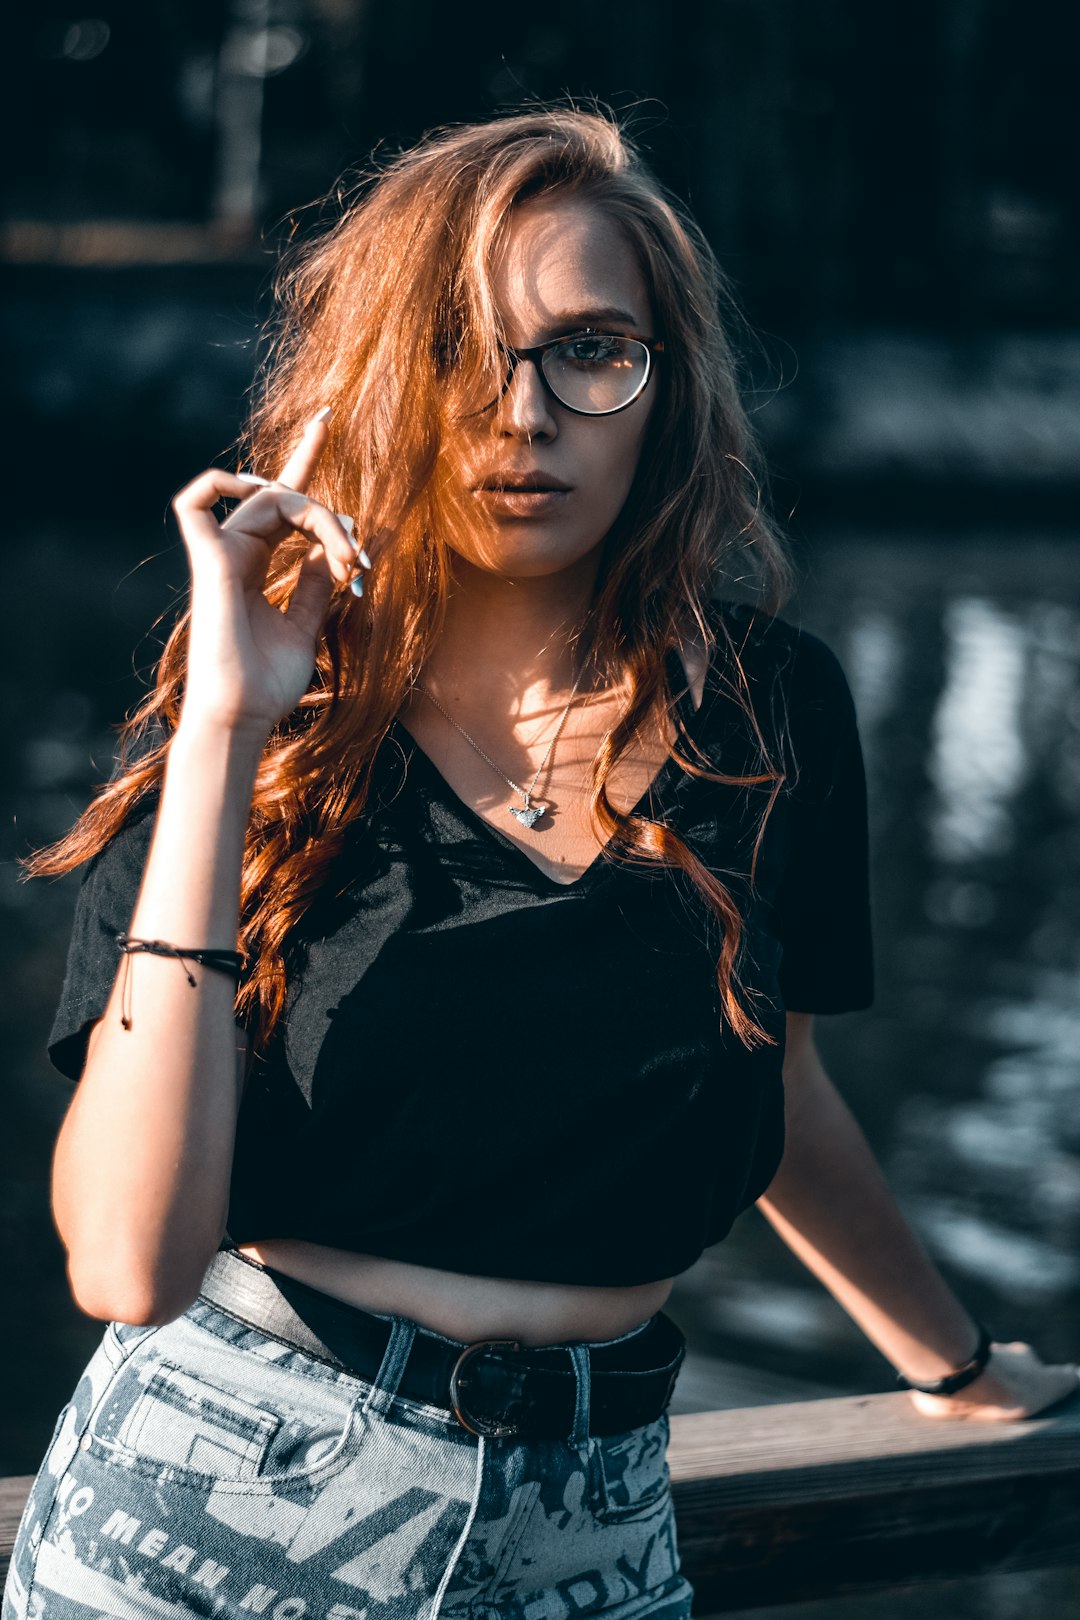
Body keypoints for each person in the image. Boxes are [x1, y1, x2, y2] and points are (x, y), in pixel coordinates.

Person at [5, 106, 1077, 1620]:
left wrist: (951, 1361)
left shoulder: (772, 710)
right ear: (382, 379)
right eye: (459, 346)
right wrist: (232, 726)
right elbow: (126, 1263)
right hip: (219, 1501)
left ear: (664, 385)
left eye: (591, 349)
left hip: (598, 1527)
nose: (523, 413)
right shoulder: (262, 732)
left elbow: (776, 1086)